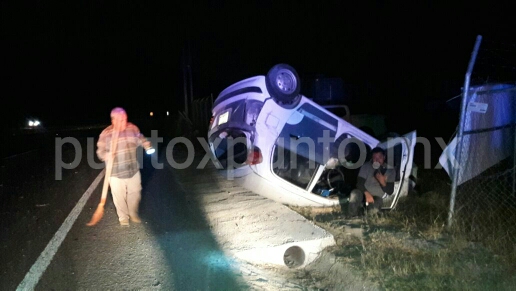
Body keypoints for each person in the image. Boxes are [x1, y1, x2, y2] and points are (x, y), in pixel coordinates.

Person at [96, 107, 153, 226]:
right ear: (113, 120)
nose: (124, 122)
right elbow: (100, 151)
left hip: (133, 170)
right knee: (119, 197)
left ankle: (132, 213)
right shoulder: (106, 134)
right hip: (115, 173)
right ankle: (123, 217)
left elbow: (140, 138)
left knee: (135, 193)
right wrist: (106, 155)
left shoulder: (132, 128)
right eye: (120, 120)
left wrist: (146, 144)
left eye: (125, 119)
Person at [347, 147, 395, 217]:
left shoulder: (390, 170)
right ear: (372, 158)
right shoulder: (366, 166)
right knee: (355, 193)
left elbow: (390, 191)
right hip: (363, 193)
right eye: (375, 157)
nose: (377, 160)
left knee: (373, 212)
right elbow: (359, 183)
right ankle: (351, 217)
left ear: (384, 157)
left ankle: (367, 219)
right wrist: (367, 194)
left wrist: (382, 182)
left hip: (376, 197)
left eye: (380, 157)